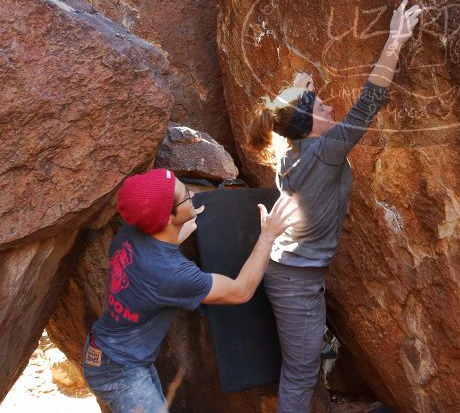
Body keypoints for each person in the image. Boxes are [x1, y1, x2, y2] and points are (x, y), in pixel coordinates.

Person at [247, 0, 421, 412]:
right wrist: (395, 41)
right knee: (300, 374)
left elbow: (290, 113)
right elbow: (368, 102)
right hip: (297, 283)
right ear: (309, 125)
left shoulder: (290, 149)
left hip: (291, 273)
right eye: (320, 107)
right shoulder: (326, 152)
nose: (328, 106)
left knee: (301, 368)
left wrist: (299, 87)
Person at [82, 168, 299, 412]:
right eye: (186, 195)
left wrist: (186, 219)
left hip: (107, 351)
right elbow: (241, 291)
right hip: (120, 371)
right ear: (167, 218)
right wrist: (268, 234)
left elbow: (161, 245)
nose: (193, 193)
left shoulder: (132, 232)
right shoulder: (172, 275)